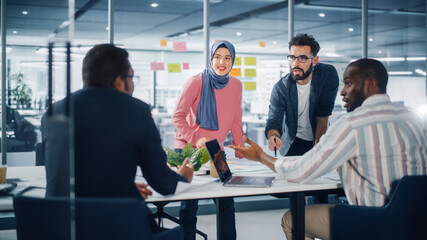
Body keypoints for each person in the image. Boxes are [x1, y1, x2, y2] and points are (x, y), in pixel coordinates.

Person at [230, 58, 427, 240]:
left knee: (293, 220)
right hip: (416, 221)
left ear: (370, 85)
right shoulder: (414, 119)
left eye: (348, 83)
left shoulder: (352, 123)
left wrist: (261, 156)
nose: (342, 92)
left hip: (373, 222)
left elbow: (299, 171)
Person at [41, 44, 193, 230]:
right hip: (113, 227)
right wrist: (184, 177)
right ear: (118, 81)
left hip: (59, 228)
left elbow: (74, 174)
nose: (133, 84)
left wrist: (123, 187)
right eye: (131, 77)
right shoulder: (137, 111)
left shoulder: (53, 112)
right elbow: (163, 184)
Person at [171, 40, 244, 240]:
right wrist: (196, 138)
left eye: (227, 57)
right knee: (189, 204)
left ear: (233, 61)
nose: (222, 61)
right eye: (218, 56)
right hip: (188, 148)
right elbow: (177, 117)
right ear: (211, 58)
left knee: (227, 202)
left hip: (215, 148)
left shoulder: (236, 84)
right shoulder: (196, 81)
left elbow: (236, 119)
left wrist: (240, 146)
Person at [266, 33, 339, 157]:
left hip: (318, 138)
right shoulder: (281, 88)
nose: (295, 63)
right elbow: (274, 119)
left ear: (314, 60)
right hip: (292, 143)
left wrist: (319, 152)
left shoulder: (327, 75)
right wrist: (273, 136)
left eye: (302, 58)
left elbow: (323, 115)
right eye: (292, 57)